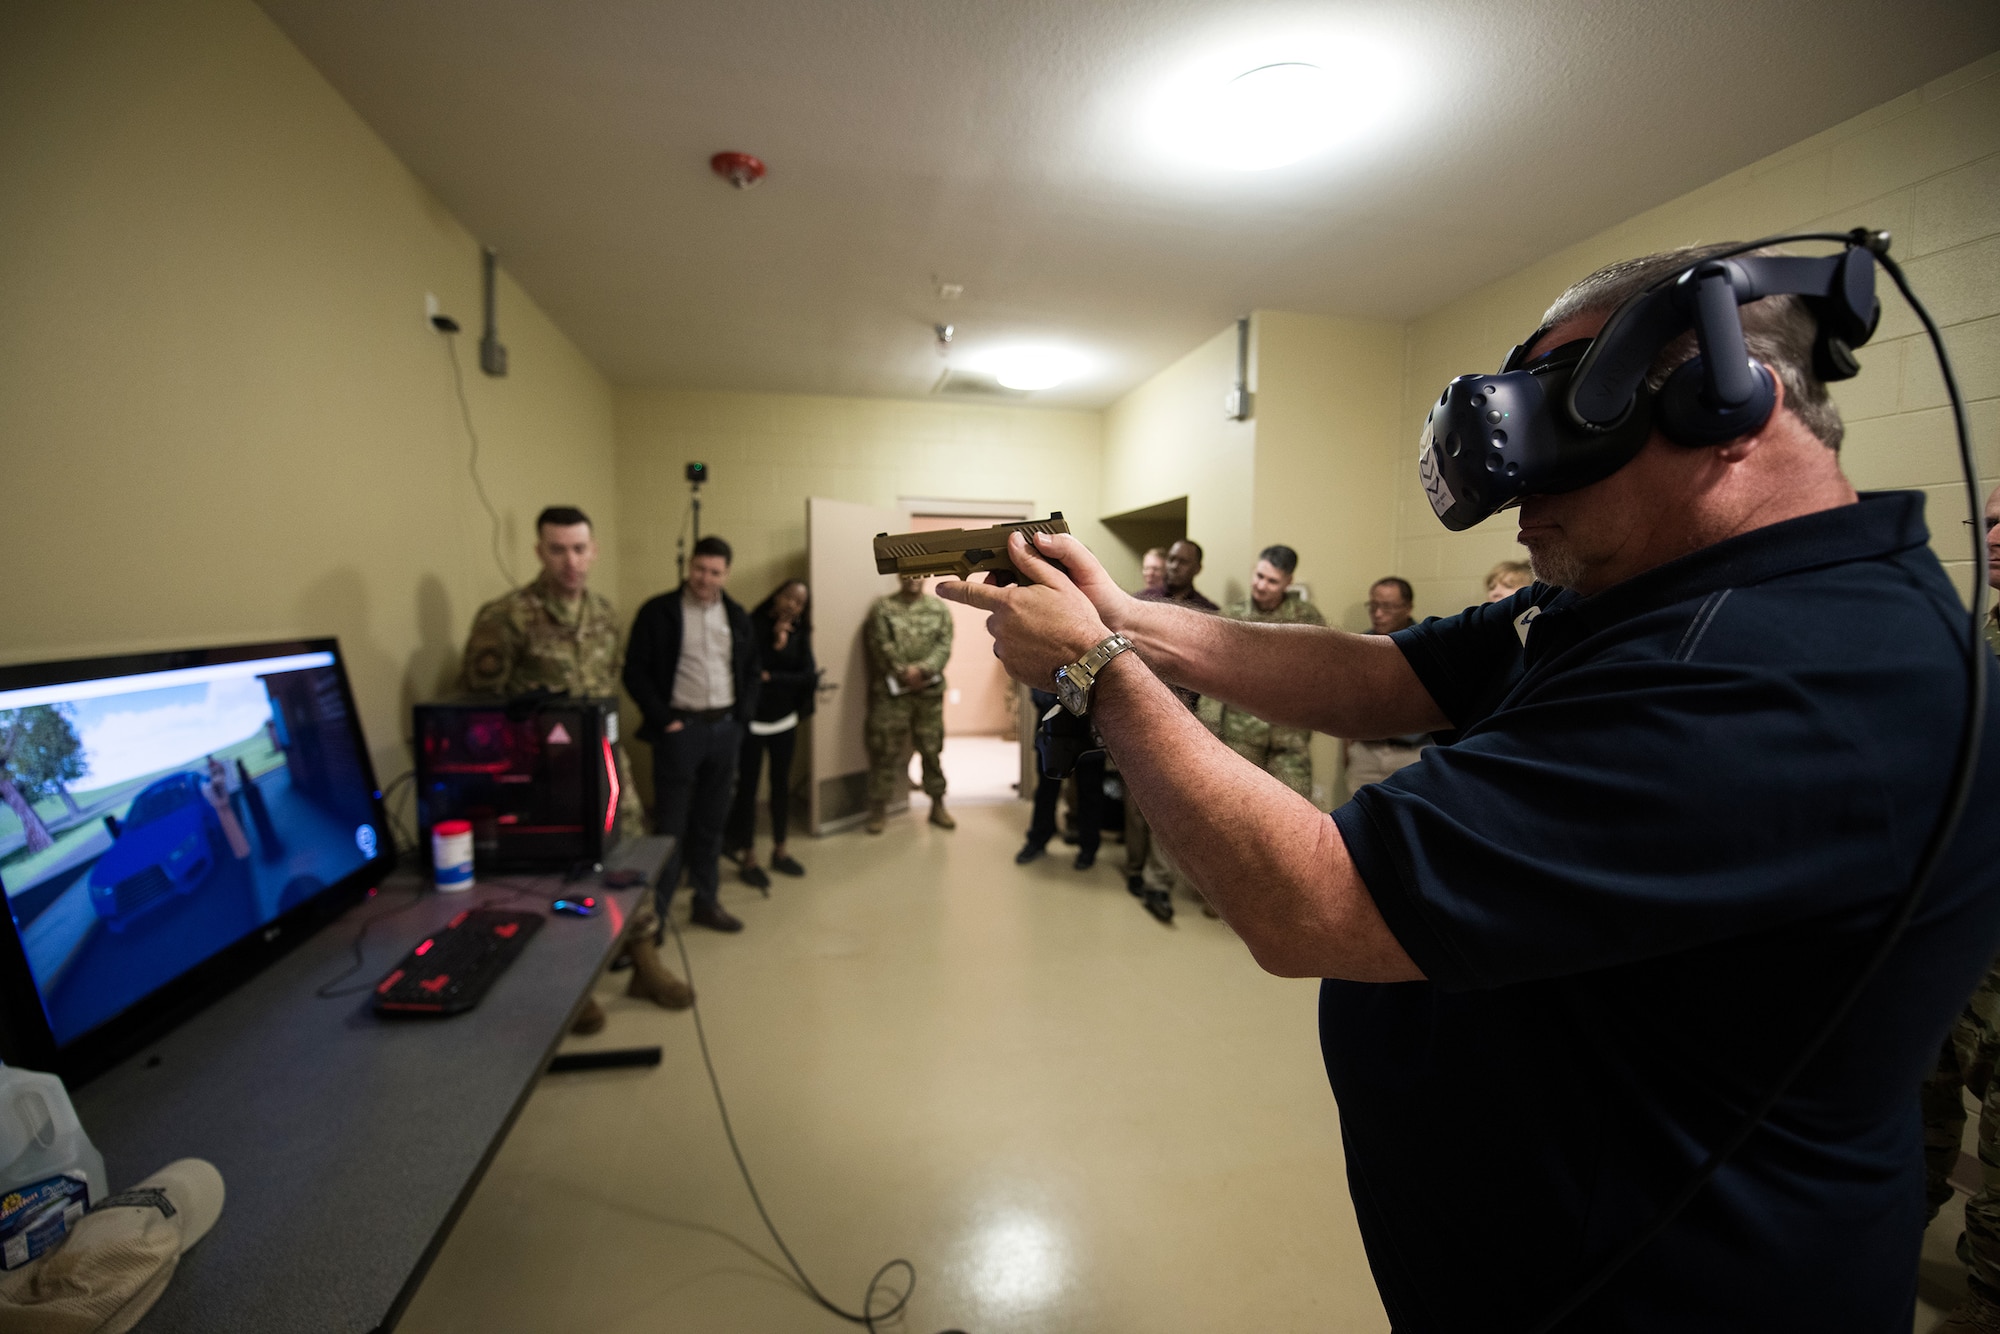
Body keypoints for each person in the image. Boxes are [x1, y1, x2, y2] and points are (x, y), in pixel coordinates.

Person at [943, 241, 2000, 1331]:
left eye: (1555, 450)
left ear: (1719, 401)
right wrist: (1121, 614)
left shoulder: (1784, 674)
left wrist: (1093, 672)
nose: (1517, 506)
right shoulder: (1651, 590)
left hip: (1660, 1289)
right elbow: (1383, 674)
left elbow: (1315, 903)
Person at [458, 506, 687, 1027]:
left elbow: (608, 681)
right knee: (557, 873)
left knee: (629, 851)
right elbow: (483, 704)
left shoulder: (604, 613)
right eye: (558, 549)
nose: (571, 561)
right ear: (539, 552)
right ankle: (572, 977)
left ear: (594, 551)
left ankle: (642, 956)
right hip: (542, 774)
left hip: (604, 761)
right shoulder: (506, 617)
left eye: (580, 549)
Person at [1917, 480, 2000, 1334]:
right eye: (1986, 521)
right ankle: (1896, 1236)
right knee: (1922, 1101)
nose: (1993, 534)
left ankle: (1987, 1301)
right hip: (1962, 927)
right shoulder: (1976, 641)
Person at [624, 535, 759, 935]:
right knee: (670, 827)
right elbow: (635, 671)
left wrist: (742, 719)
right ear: (689, 567)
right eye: (700, 569)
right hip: (680, 732)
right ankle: (658, 917)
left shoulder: (736, 616)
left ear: (726, 574)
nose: (705, 578)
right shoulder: (659, 612)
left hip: (724, 730)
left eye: (715, 572)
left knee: (711, 823)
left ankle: (706, 900)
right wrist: (664, 719)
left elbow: (752, 670)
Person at [1206, 545, 1325, 798]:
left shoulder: (1306, 618)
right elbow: (1211, 677)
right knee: (1237, 804)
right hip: (1241, 735)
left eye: (1272, 581)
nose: (1261, 585)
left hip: (1290, 736)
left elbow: (1319, 674)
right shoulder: (1231, 617)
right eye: (1259, 576)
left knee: (1295, 807)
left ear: (1288, 582)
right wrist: (1209, 728)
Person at [725, 579, 816, 889]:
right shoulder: (751, 625)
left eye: (799, 603)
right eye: (789, 597)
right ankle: (748, 856)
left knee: (781, 789)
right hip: (753, 723)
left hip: (784, 722)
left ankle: (780, 850)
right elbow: (744, 671)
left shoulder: (801, 634)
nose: (793, 605)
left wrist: (771, 676)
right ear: (776, 596)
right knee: (747, 790)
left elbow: (807, 677)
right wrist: (773, 646)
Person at [862, 573, 954, 834]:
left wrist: (923, 670)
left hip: (929, 693)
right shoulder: (883, 608)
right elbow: (880, 644)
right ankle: (878, 808)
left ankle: (937, 805)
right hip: (892, 693)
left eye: (918, 574)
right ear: (899, 577)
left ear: (926, 576)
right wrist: (903, 672)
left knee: (931, 749)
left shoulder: (939, 609)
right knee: (884, 750)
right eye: (907, 574)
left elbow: (944, 646)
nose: (913, 578)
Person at [1341, 577, 1428, 794]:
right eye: (1373, 605)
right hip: (1366, 753)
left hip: (1412, 755)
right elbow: (1346, 701)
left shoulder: (1427, 644)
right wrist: (1348, 747)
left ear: (1407, 608)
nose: (1378, 613)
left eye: (1387, 607)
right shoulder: (1358, 645)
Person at [1017, 688, 1105, 870]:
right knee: (1046, 789)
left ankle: (1088, 847)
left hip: (1089, 726)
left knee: (1090, 791)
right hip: (1053, 726)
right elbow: (1036, 685)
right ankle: (1038, 839)